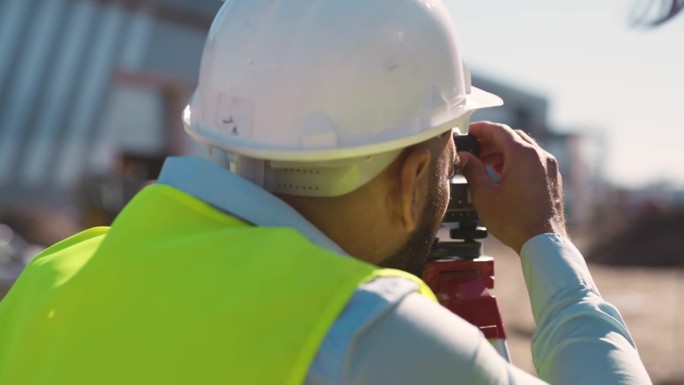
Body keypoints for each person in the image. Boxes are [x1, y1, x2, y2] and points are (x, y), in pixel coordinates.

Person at [0, 1, 652, 384]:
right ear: (411, 179)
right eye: (442, 155)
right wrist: (547, 239)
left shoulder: (50, 278)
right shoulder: (366, 329)